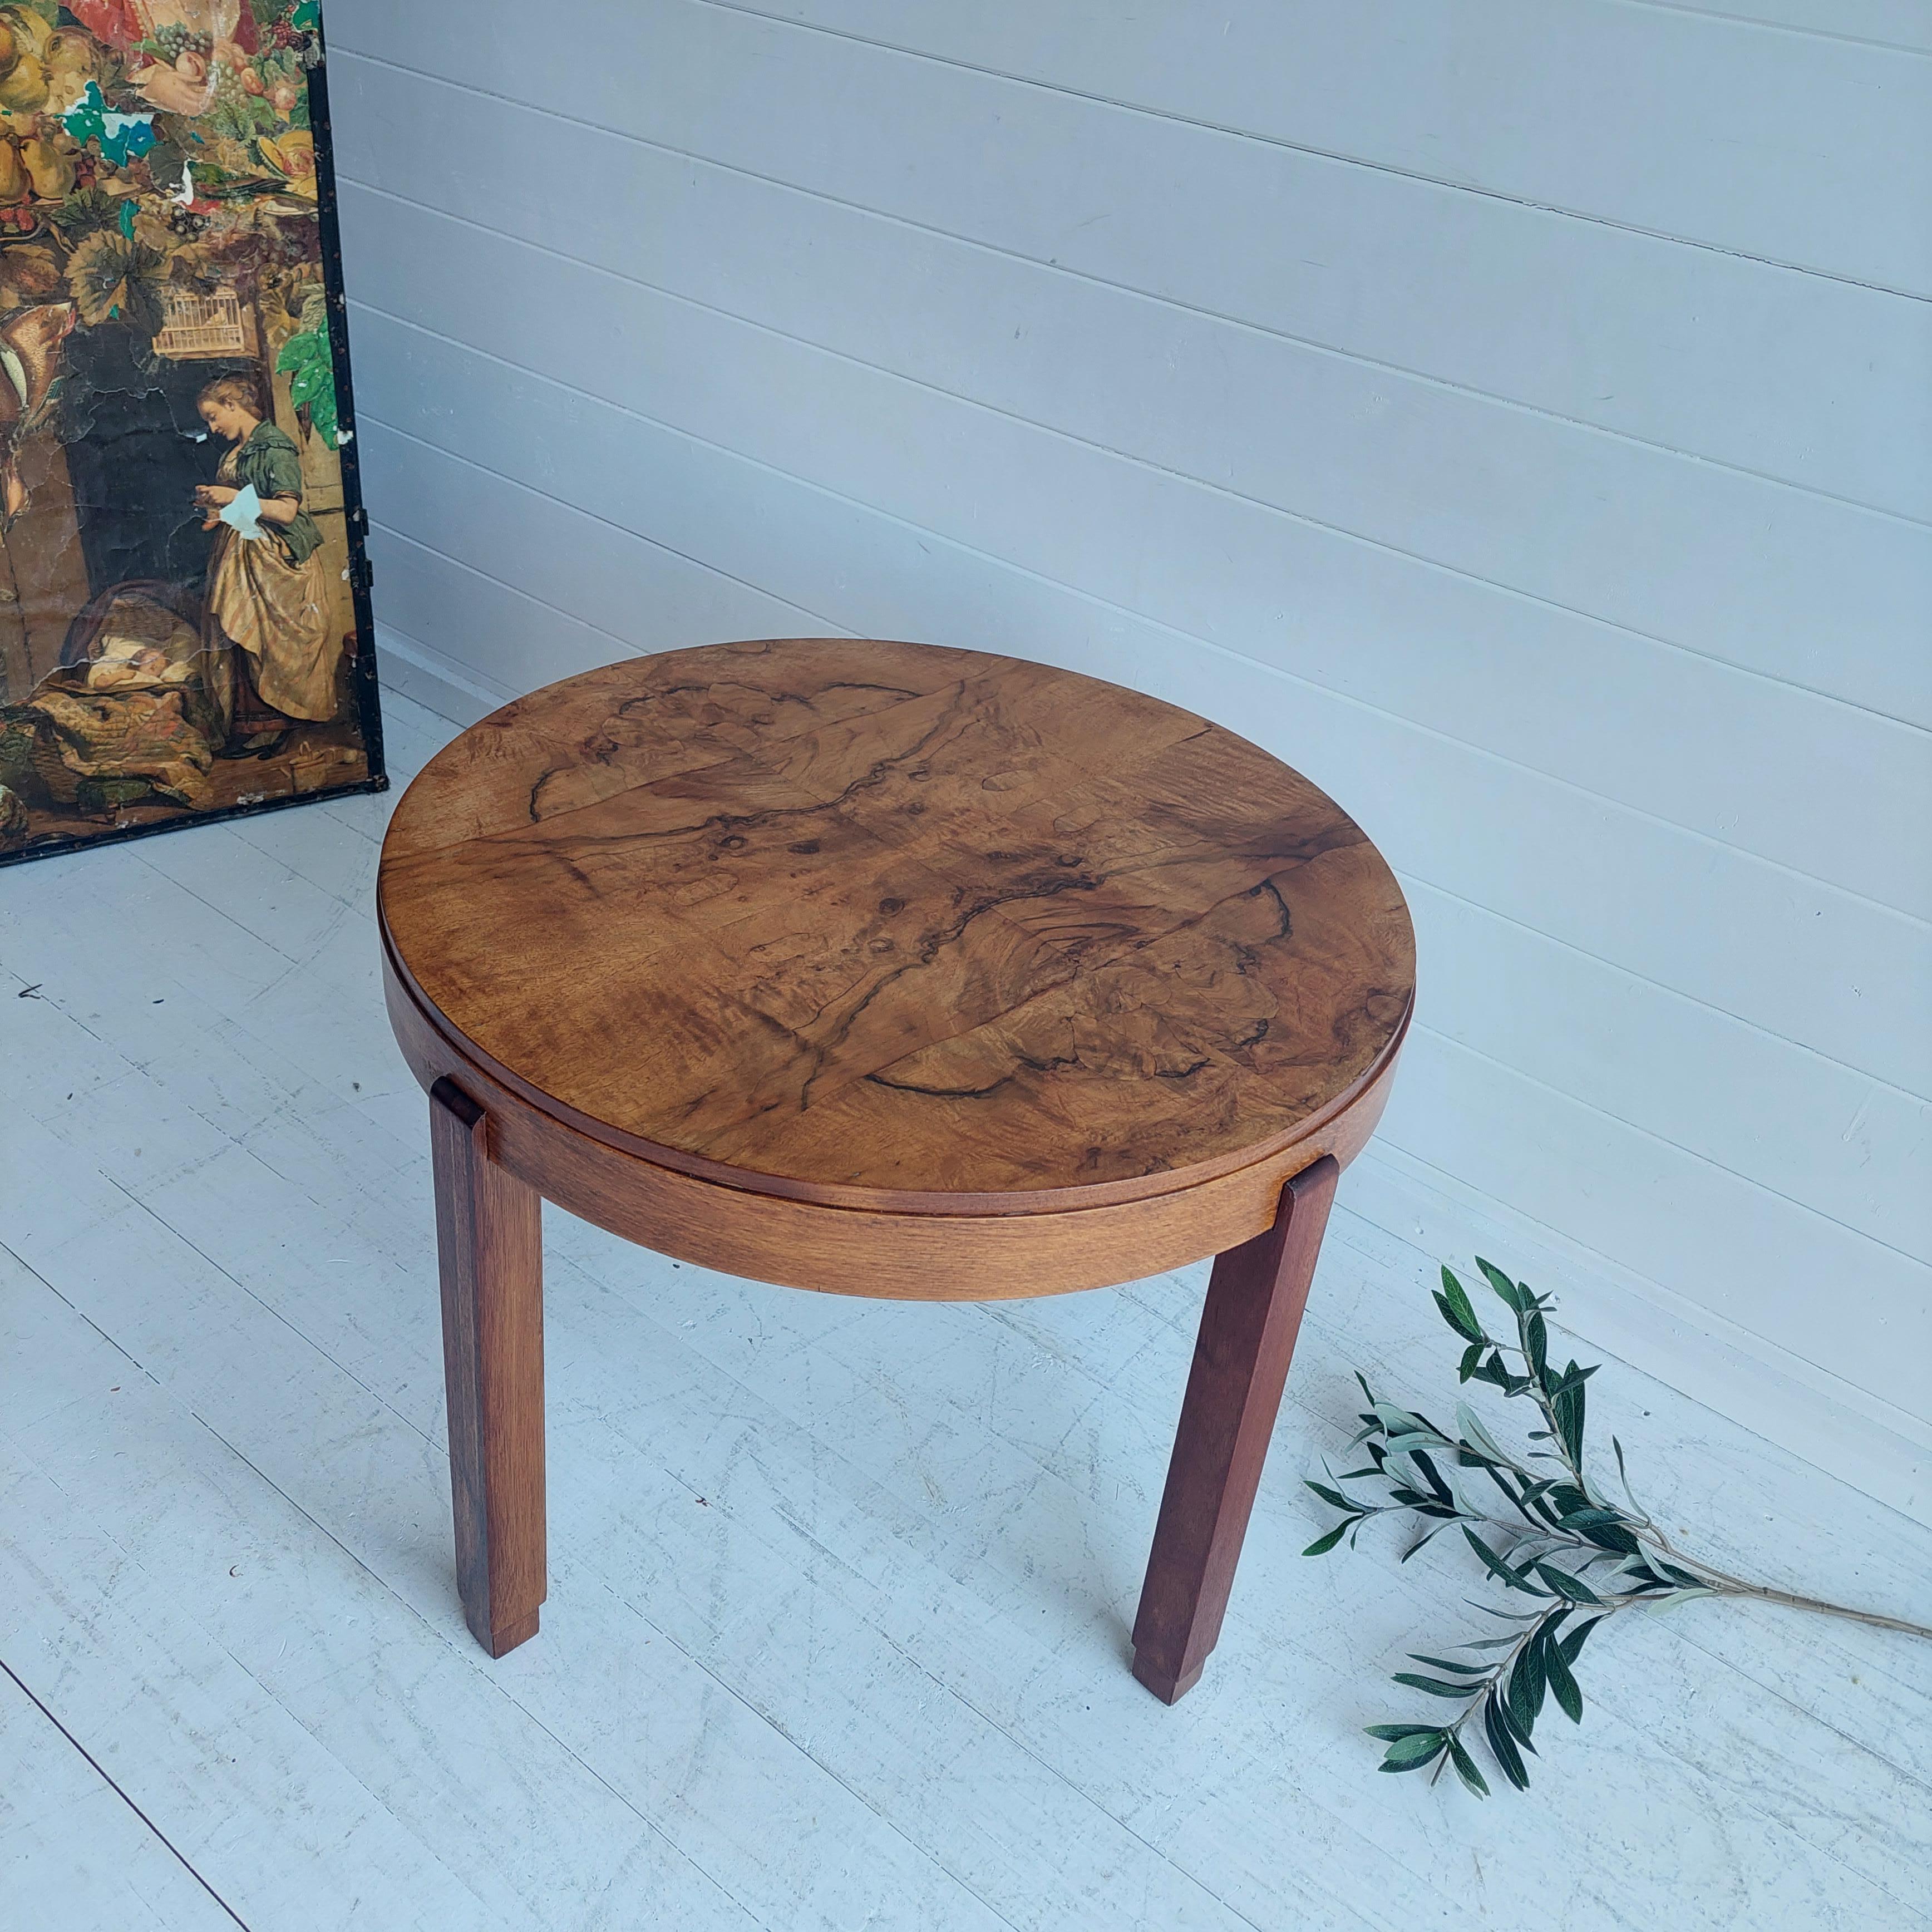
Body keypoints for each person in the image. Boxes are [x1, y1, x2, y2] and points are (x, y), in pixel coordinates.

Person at [193, 372, 338, 752]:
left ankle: (280, 725)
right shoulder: (237, 451)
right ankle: (252, 727)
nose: (211, 427)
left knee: (269, 644)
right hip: (240, 557)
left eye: (213, 416)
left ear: (232, 405)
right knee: (241, 639)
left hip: (274, 560)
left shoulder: (274, 447)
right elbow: (238, 506)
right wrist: (215, 507)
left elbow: (287, 512)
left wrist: (231, 497)